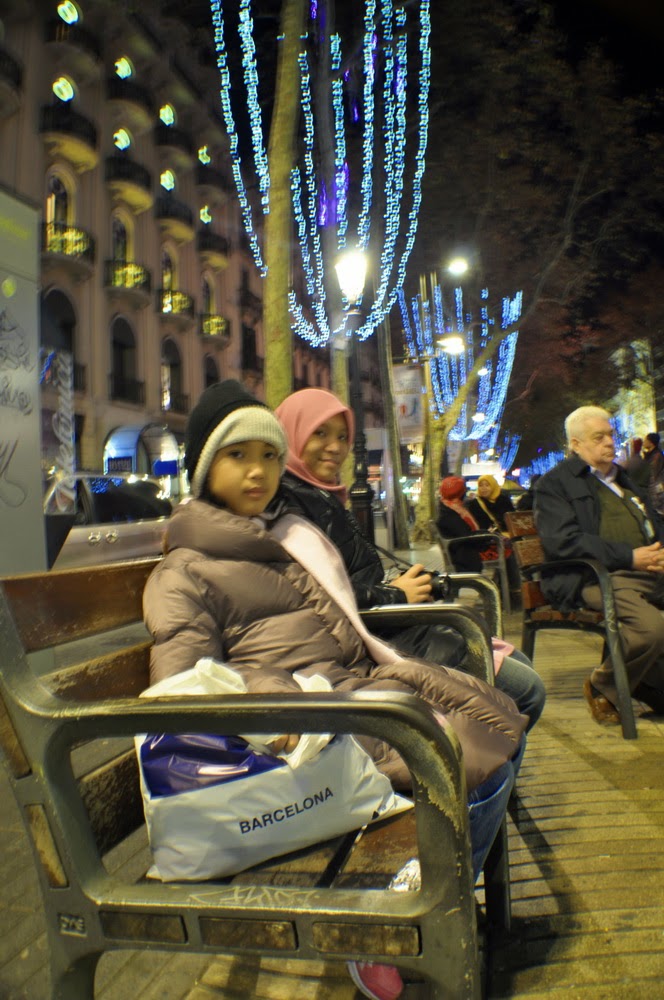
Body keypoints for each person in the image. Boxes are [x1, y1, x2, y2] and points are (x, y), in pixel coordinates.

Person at [144, 380, 528, 1000]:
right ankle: (397, 914)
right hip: (304, 725)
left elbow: (338, 630)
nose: (259, 471)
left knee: (501, 721)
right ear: (202, 466)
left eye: (269, 456)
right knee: (476, 755)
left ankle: (418, 895)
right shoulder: (185, 569)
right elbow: (183, 692)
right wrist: (285, 712)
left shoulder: (279, 539)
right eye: (238, 455)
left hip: (344, 693)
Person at [274, 389, 545, 732]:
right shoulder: (291, 508)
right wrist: (397, 595)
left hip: (391, 626)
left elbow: (347, 577)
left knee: (519, 670)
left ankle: (488, 774)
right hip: (376, 640)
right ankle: (484, 780)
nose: (335, 446)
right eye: (320, 433)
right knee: (526, 691)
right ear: (291, 434)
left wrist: (404, 584)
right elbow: (313, 596)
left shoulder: (319, 498)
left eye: (343, 436)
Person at [534, 405, 664, 725]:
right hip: (596, 577)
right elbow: (562, 540)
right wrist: (630, 556)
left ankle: (645, 683)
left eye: (610, 435)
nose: (609, 442)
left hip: (644, 572)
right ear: (576, 444)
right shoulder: (556, 483)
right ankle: (603, 684)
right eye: (599, 437)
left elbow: (652, 523)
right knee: (651, 629)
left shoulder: (623, 479)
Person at [436, 475, 502, 572]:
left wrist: (485, 533)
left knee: (505, 545)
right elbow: (466, 535)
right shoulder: (450, 514)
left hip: (464, 550)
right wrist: (487, 534)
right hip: (465, 555)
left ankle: (502, 583)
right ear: (459, 493)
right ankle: (511, 584)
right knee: (506, 549)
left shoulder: (449, 508)